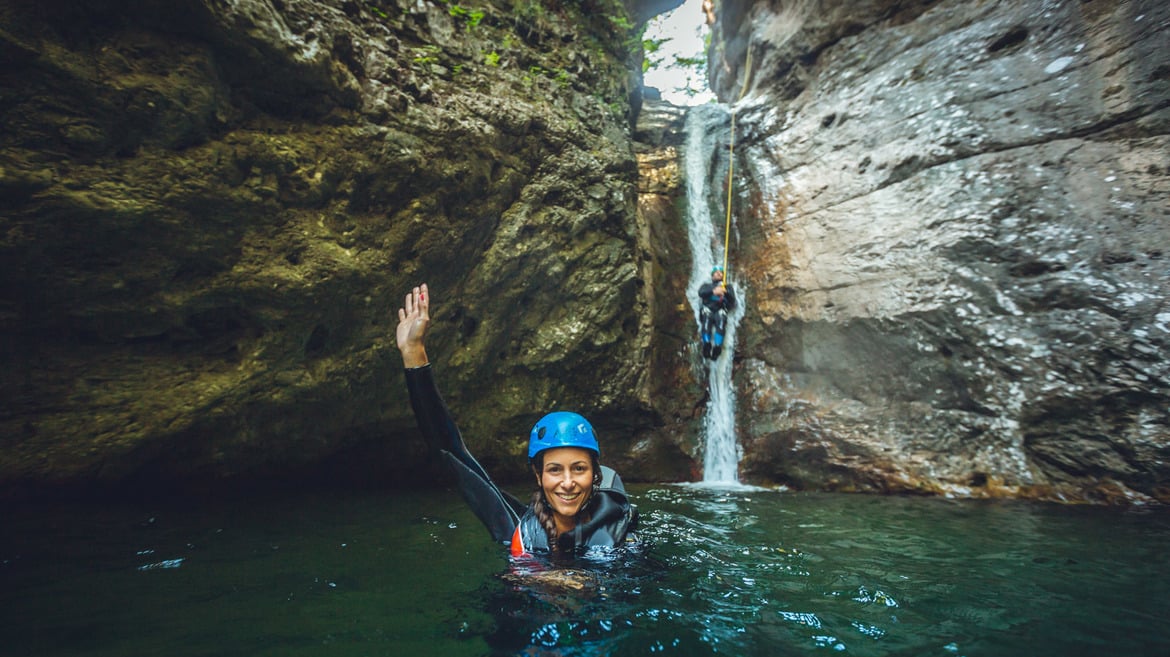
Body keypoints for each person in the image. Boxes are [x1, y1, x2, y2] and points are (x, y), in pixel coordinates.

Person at [396, 284, 638, 557]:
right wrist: (413, 351)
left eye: (579, 469)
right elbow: (449, 453)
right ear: (538, 475)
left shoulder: (622, 537)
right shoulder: (519, 528)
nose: (567, 482)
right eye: (555, 470)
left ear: (595, 475)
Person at [697, 266, 736, 360]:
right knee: (707, 315)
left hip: (720, 310)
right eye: (716, 272)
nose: (719, 273)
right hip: (708, 309)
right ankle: (707, 344)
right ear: (712, 275)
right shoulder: (707, 286)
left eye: (721, 272)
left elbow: (733, 301)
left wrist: (725, 292)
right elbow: (701, 292)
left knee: (721, 317)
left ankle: (718, 346)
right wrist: (714, 291)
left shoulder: (727, 287)